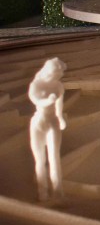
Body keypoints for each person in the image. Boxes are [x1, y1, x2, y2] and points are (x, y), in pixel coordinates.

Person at [28, 57, 67, 200]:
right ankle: (42, 192)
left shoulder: (58, 86)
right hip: (39, 122)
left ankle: (58, 191)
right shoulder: (36, 85)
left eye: (59, 74)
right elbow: (36, 100)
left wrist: (60, 117)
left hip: (53, 122)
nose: (57, 76)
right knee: (40, 159)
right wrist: (47, 101)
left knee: (54, 158)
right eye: (55, 73)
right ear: (48, 71)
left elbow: (59, 105)